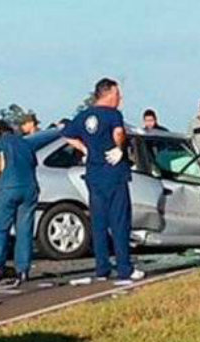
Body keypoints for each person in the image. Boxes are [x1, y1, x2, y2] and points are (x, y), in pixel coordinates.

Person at [63, 77, 144, 284]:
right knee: (119, 221)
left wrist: (85, 149)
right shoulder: (113, 114)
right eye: (117, 95)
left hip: (93, 174)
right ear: (107, 94)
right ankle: (124, 267)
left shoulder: (83, 116)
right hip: (113, 173)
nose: (120, 99)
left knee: (98, 222)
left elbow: (68, 135)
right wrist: (118, 148)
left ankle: (102, 268)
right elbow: (119, 132)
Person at [0, 121, 39, 286]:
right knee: (25, 230)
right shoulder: (26, 143)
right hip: (29, 188)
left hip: (7, 188)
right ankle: (23, 270)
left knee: (1, 229)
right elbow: (33, 164)